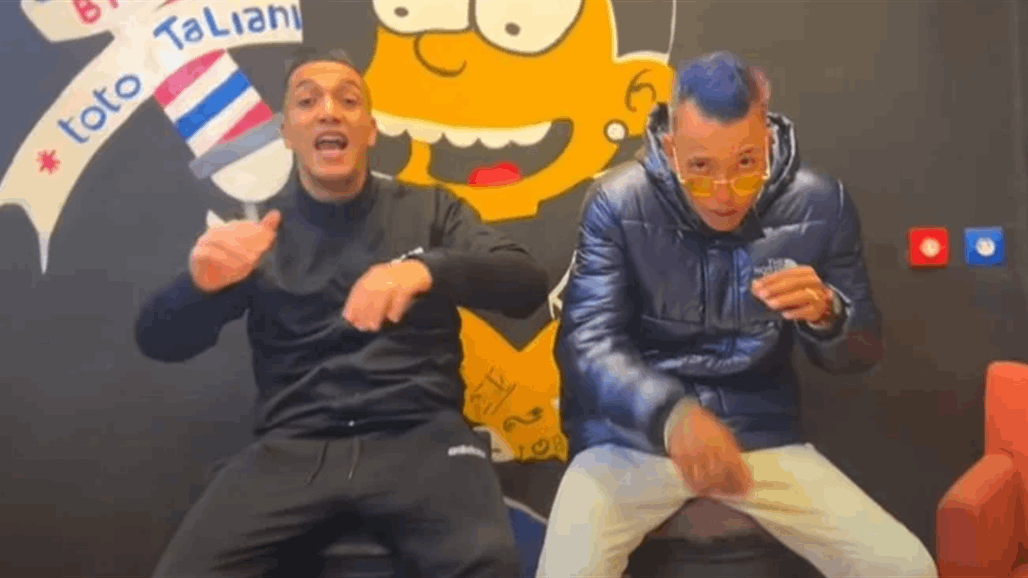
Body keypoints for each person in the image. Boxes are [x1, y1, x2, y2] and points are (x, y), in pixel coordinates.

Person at [136, 46, 547, 578]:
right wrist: (196, 288)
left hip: (422, 438)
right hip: (294, 447)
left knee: (489, 564)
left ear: (370, 130)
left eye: (348, 101)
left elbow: (526, 283)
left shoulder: (429, 209)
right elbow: (158, 341)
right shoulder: (256, 234)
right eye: (308, 102)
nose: (329, 111)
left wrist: (425, 270)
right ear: (286, 132)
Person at [537, 51, 938, 578]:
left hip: (757, 435)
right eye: (701, 168)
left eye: (746, 164)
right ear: (671, 148)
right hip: (634, 439)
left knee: (905, 566)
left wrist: (830, 315)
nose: (724, 194)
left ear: (767, 142)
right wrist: (673, 416)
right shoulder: (618, 201)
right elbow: (586, 345)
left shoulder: (820, 203)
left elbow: (862, 350)